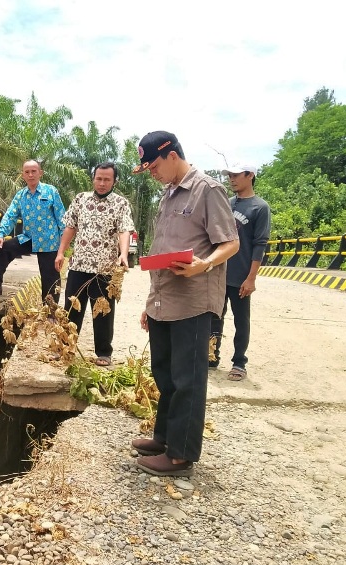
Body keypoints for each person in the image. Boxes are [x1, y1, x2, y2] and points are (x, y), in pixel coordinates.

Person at [130, 131, 239, 477]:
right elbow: (163, 249)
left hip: (194, 300)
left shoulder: (208, 190)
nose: (152, 173)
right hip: (165, 299)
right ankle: (164, 438)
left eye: (154, 166)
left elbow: (230, 243)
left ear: (172, 155)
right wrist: (151, 303)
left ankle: (180, 456)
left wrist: (203, 265)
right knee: (164, 373)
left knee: (187, 378)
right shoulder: (167, 196)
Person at [54, 161, 134, 367]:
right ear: (93, 179)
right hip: (78, 265)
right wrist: (61, 252)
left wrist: (123, 254)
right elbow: (70, 227)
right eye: (99, 178)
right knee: (71, 308)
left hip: (104, 269)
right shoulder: (80, 199)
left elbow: (125, 230)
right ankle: (65, 347)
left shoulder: (121, 203)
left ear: (114, 181)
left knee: (103, 311)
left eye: (107, 179)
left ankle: (104, 352)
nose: (102, 183)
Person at [210, 164, 271, 381]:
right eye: (230, 176)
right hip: (220, 272)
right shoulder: (227, 203)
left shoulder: (260, 207)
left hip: (242, 276)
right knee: (214, 317)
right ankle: (211, 356)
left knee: (241, 320)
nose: (232, 179)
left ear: (250, 176)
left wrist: (251, 278)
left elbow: (259, 244)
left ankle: (239, 362)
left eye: (236, 175)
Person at [0, 159, 66, 303]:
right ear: (23, 175)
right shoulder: (20, 195)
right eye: (27, 172)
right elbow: (11, 215)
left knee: (50, 276)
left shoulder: (51, 191)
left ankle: (50, 311)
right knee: (4, 248)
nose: (30, 175)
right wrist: (1, 235)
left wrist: (62, 247)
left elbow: (62, 218)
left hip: (49, 240)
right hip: (28, 237)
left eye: (34, 171)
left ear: (40, 173)